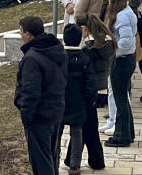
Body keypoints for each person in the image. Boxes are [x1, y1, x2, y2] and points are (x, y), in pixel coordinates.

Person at [13, 15, 67, 175]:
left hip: (39, 117)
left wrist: (26, 117)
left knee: (41, 162)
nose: (20, 34)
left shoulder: (32, 58)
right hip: (55, 112)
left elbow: (30, 92)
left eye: (21, 31)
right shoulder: (57, 49)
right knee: (51, 156)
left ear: (28, 35)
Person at [59, 24, 98, 175]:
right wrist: (91, 100)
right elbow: (91, 83)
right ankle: (75, 165)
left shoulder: (59, 58)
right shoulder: (85, 59)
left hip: (60, 102)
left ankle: (53, 159)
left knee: (56, 133)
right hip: (79, 102)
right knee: (76, 134)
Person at [104, 0, 137, 148]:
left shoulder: (123, 16)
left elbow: (125, 41)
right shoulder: (125, 12)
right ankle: (127, 133)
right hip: (126, 58)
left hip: (122, 60)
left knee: (121, 100)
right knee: (122, 98)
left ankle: (122, 136)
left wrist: (111, 52)